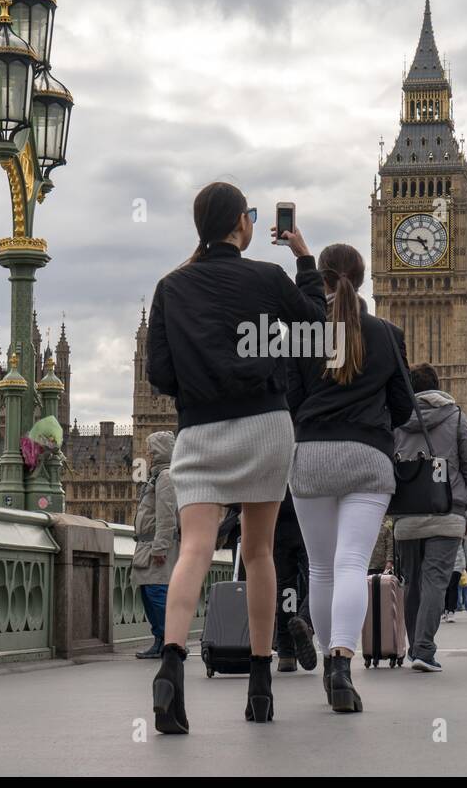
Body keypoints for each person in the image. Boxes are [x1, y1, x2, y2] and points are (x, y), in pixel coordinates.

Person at [145, 181, 325, 733]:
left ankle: (171, 666)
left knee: (194, 549)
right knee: (259, 553)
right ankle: (260, 681)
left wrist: (198, 387)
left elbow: (159, 374)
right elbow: (316, 333)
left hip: (199, 432)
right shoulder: (267, 277)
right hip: (265, 426)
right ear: (239, 226)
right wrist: (303, 259)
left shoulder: (170, 287)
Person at [286, 242, 413, 712]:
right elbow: (403, 405)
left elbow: (290, 397)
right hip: (367, 457)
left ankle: (326, 663)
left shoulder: (303, 333)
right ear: (361, 280)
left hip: (312, 454)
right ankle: (342, 663)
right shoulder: (386, 333)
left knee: (320, 568)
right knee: (352, 564)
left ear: (322, 279)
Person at [393, 364, 467, 672]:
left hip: (407, 515)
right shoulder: (456, 417)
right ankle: (423, 648)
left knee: (411, 583)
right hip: (447, 511)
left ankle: (414, 647)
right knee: (434, 580)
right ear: (438, 387)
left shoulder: (396, 420)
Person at [132, 431, 179, 660]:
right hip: (146, 544)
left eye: (152, 450)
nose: (148, 454)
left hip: (156, 546)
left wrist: (160, 547)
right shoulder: (157, 476)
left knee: (157, 592)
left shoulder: (166, 477)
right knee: (148, 592)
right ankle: (161, 640)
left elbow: (167, 515)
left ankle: (169, 641)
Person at [273, 488, 317, 673]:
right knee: (317, 578)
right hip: (308, 509)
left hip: (279, 514)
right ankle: (305, 622)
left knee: (286, 589)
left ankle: (286, 653)